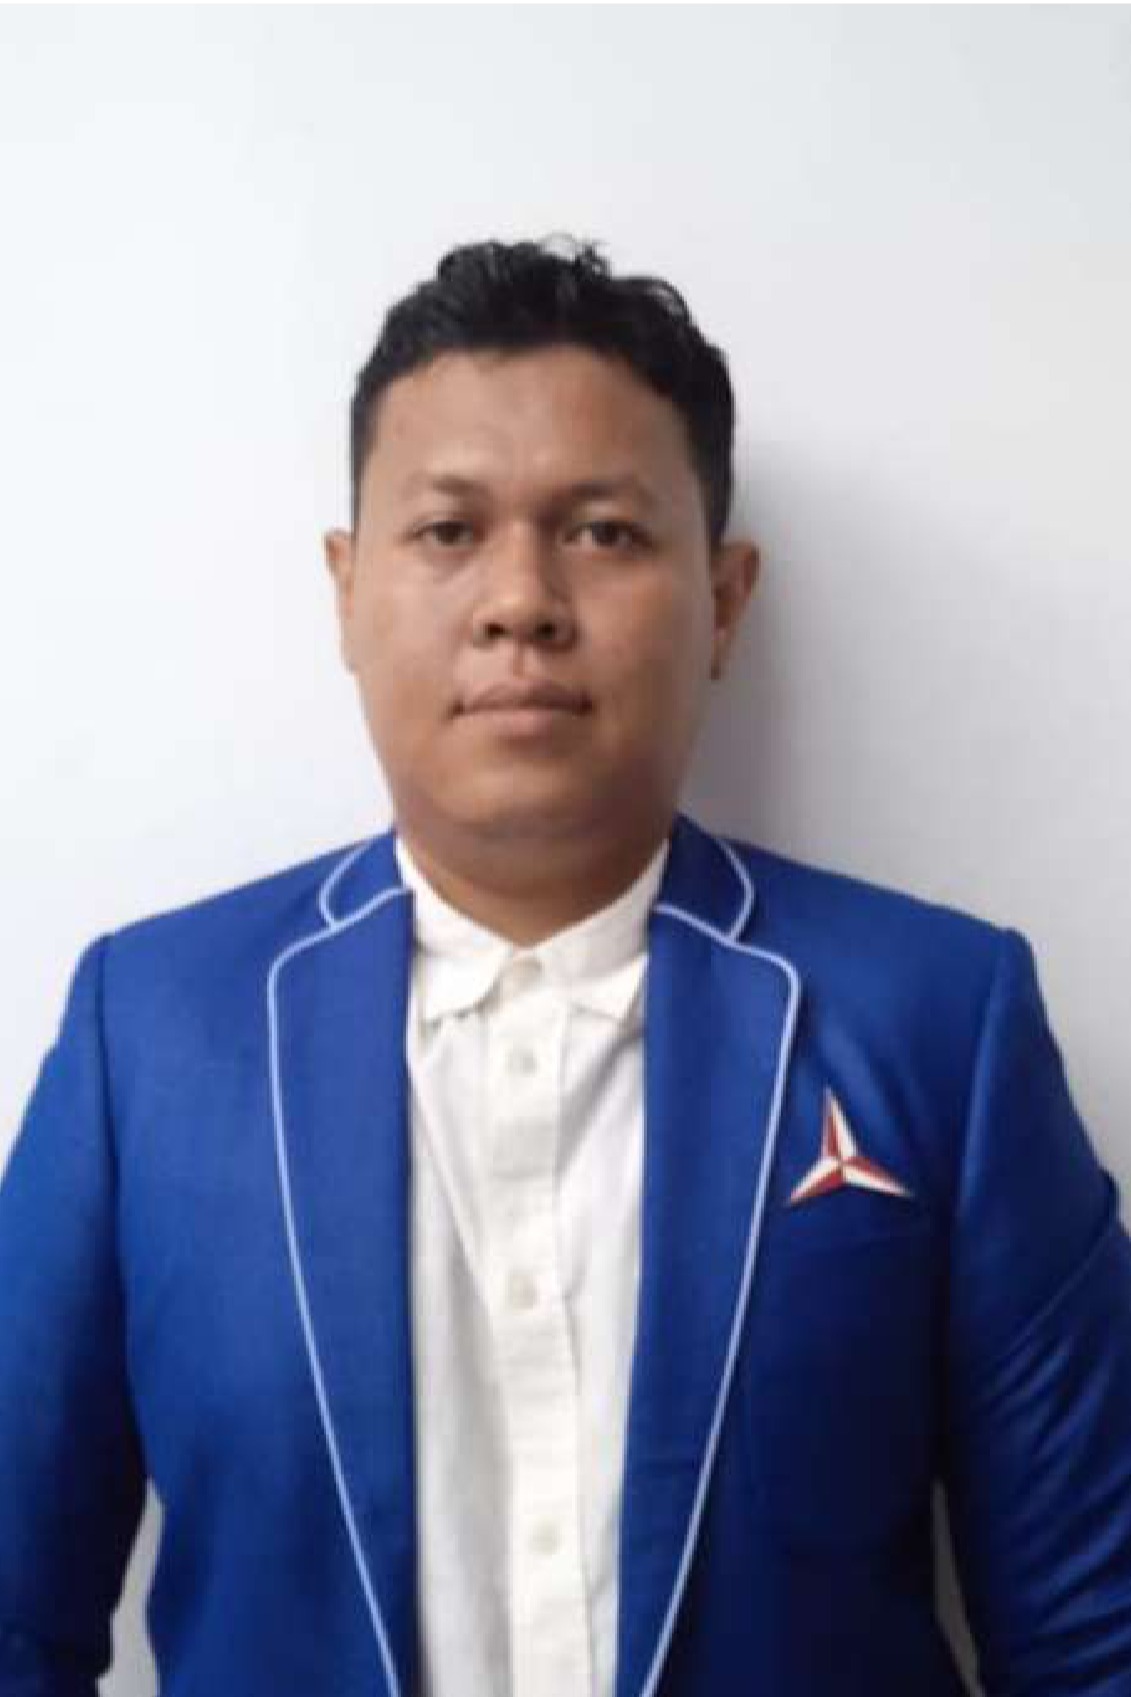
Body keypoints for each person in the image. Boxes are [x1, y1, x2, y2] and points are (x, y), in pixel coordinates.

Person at [1, 234, 1129, 1697]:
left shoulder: (938, 1021)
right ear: (346, 590)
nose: (520, 600)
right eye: (447, 529)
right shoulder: (147, 1036)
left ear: (725, 599)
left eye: (601, 531)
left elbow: (1095, 1637)